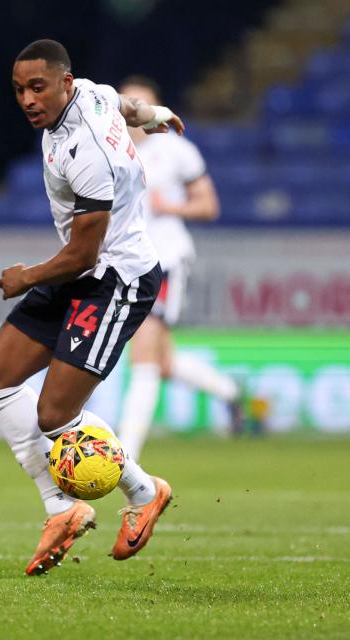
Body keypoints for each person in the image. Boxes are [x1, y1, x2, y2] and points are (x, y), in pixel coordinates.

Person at [0, 40, 179, 575]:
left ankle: (142, 491)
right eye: (19, 89)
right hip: (81, 269)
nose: (27, 99)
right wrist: (155, 115)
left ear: (64, 82)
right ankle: (61, 506)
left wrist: (26, 276)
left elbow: (84, 252)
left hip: (115, 278)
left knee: (54, 415)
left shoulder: (88, 153)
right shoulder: (91, 93)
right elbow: (125, 105)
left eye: (37, 87)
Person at [116, 75, 260, 461]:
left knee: (143, 355)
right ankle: (230, 393)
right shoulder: (110, 151)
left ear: (155, 111)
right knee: (160, 362)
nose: (135, 113)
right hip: (124, 264)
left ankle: (124, 458)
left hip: (165, 260)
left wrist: (170, 206)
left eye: (142, 105)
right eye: (129, 105)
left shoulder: (176, 150)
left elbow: (208, 206)